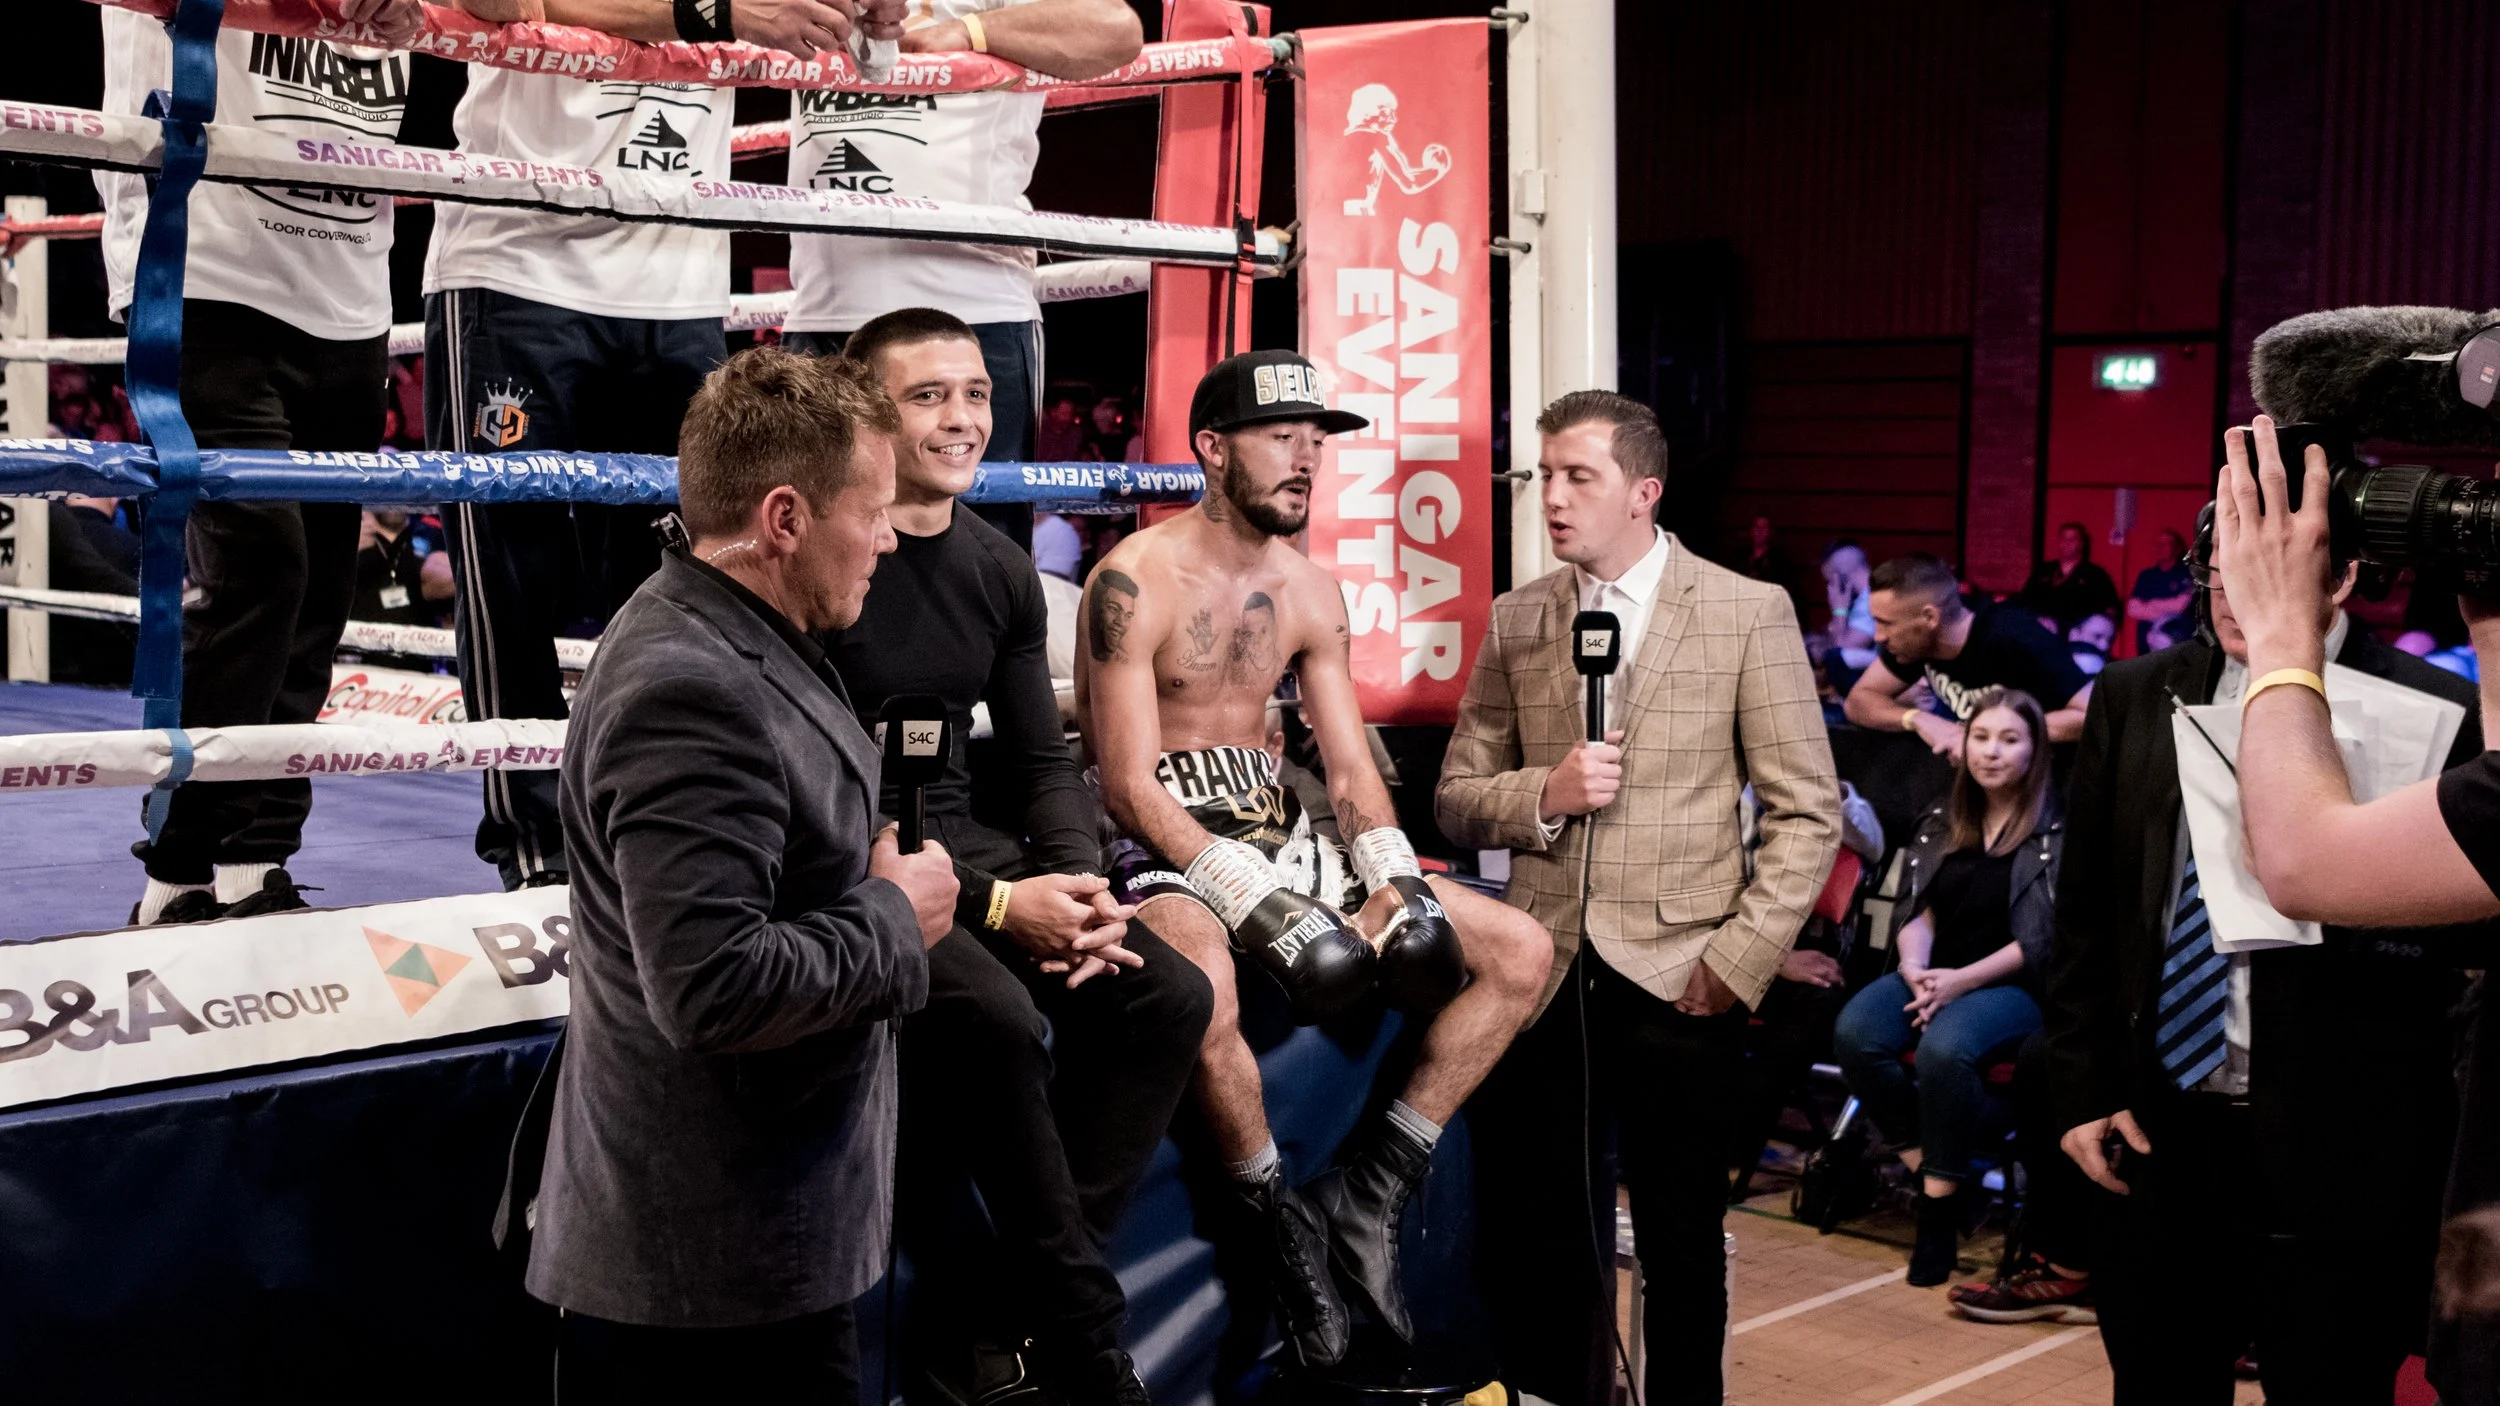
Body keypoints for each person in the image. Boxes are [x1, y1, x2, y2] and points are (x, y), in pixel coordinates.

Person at [1077, 350, 1554, 1369]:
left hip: (1280, 827)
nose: (1306, 457)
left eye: (1316, 439)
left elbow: (1346, 768)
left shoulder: (1311, 588)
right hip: (1168, 836)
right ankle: (1276, 1221)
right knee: (1202, 991)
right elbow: (1124, 780)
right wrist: (1241, 889)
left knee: (1517, 949)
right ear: (1212, 448)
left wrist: (1394, 871)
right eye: (1280, 437)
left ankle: (1370, 1186)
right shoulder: (1131, 580)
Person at [522, 347, 953, 1400]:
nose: (891, 537)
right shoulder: (687, 685)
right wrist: (896, 916)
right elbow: (714, 982)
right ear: (785, 518)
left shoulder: (739, 628)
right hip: (701, 1282)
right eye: (873, 509)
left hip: (754, 1245)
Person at [425, 0, 906, 891]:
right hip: (521, 260)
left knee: (694, 577)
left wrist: (872, 21)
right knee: (510, 577)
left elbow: (868, 73)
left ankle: (670, 825)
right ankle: (535, 854)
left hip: (678, 280)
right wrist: (713, 10)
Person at [822, 309, 1211, 1406]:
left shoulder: (996, 568)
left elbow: (1046, 760)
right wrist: (1002, 908)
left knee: (1166, 995)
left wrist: (1083, 884)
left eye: (976, 393)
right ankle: (1088, 1341)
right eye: (927, 395)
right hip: (861, 858)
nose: (962, 417)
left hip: (973, 842)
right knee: (993, 1019)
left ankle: (995, 1315)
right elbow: (818, 796)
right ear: (867, 413)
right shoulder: (832, 557)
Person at [2046, 456, 2491, 1404]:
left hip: (2345, 1145)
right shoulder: (2134, 691)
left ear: (2337, 578)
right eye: (2219, 573)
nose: (2231, 599)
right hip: (2159, 1128)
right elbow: (2087, 914)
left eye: (2261, 573)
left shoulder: (2443, 712)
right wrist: (2082, 1086)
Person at [1438, 390, 1841, 1406]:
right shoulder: (1522, 614)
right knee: (1538, 1230)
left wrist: (1738, 960)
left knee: (1679, 1240)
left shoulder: (1748, 610)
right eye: (1545, 477)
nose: (1554, 498)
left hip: (1680, 976)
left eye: (1580, 476)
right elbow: (1452, 796)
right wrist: (1544, 793)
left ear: (1643, 490)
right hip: (1538, 976)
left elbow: (1806, 814)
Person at [97, 0, 422, 924]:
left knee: (319, 587)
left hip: (348, 280)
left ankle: (256, 860)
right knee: (258, 565)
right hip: (207, 263)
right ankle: (177, 870)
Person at [781, 0, 1142, 552]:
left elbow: (1118, 31)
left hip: (971, 315)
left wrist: (969, 32)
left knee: (975, 555)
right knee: (812, 548)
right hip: (826, 307)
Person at [1834, 688, 2060, 1286]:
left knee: (1944, 1049)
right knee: (1856, 1032)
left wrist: (1958, 982)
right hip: (1935, 971)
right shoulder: (1943, 816)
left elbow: (2039, 942)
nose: (1991, 752)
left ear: (2034, 750)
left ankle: (1935, 1216)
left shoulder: (2056, 829)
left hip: (2013, 983)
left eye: (2009, 740)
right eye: (1981, 737)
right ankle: (1931, 1172)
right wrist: (1915, 970)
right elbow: (1918, 914)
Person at [1842, 553, 2094, 750]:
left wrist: (1991, 733)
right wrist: (1917, 719)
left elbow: (2094, 715)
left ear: (1930, 617)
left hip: (2050, 788)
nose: (1878, 636)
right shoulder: (1915, 644)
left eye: (1886, 622)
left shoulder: (2014, 635)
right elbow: (1858, 702)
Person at [2018, 522, 2122, 637]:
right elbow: (2024, 600)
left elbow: (2110, 611)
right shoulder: (2043, 571)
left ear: (2082, 543)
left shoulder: (2095, 575)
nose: (2067, 543)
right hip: (2040, 636)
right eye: (2063, 538)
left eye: (2072, 539)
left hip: (2075, 637)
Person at [2125, 528, 2193, 654]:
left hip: (2177, 643)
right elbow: (2133, 609)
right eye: (2158, 544)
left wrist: (2150, 605)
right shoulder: (2146, 575)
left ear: (2177, 549)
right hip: (2146, 645)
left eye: (2166, 544)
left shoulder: (2187, 573)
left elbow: (2181, 605)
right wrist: (2167, 608)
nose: (2161, 548)